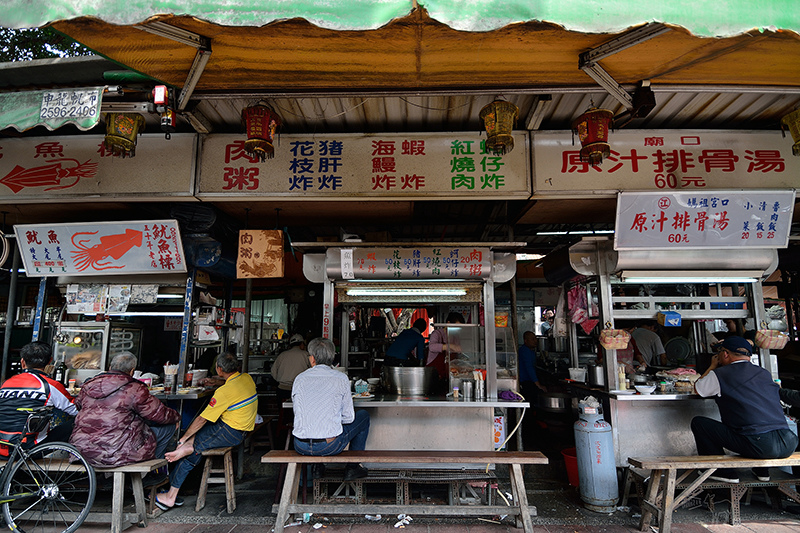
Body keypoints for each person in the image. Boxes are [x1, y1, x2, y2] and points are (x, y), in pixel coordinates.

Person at [155, 352, 258, 510]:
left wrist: (183, 438)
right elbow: (228, 384)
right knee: (194, 440)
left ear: (218, 369)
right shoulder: (246, 378)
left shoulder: (223, 393)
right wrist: (214, 381)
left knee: (191, 453)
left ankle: (170, 496)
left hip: (229, 432)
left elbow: (202, 419)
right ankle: (188, 447)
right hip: (239, 430)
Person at [691, 336, 797, 483]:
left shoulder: (720, 374)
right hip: (788, 442)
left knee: (699, 423)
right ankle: (762, 472)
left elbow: (698, 389)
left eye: (720, 352)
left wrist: (712, 366)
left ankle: (722, 472)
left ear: (725, 354)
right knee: (751, 425)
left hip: (760, 445)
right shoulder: (763, 373)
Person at [69, 352, 180, 472]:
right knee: (169, 427)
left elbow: (78, 405)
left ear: (110, 367)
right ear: (132, 371)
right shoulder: (135, 388)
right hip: (116, 452)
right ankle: (151, 473)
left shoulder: (88, 385)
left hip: (82, 449)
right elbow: (159, 414)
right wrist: (177, 417)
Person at [292, 337, 370, 480]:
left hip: (300, 445)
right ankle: (353, 467)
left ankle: (318, 467)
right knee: (363, 416)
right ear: (332, 358)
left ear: (312, 359)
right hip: (328, 446)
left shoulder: (299, 378)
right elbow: (349, 418)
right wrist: (331, 417)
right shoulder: (340, 378)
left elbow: (299, 411)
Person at [0, 341, 78, 453]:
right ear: (50, 362)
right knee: (78, 421)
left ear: (22, 362)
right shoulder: (50, 385)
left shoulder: (5, 384)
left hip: (2, 448)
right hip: (29, 450)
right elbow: (75, 410)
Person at [271, 333, 311, 402]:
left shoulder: (282, 355)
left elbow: (273, 372)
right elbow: (312, 371)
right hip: (300, 390)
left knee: (283, 411)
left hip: (282, 389)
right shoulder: (306, 355)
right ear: (301, 344)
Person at [426, 312, 464, 381]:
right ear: (448, 323)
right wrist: (450, 346)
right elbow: (431, 347)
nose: (457, 330)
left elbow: (458, 351)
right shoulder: (437, 334)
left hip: (448, 373)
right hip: (434, 373)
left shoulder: (455, 337)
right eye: (456, 327)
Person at [518, 331, 546, 400]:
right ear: (526, 341)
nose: (535, 341)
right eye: (532, 339)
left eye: (535, 338)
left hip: (529, 381)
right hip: (525, 382)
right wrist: (538, 385)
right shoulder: (525, 351)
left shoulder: (531, 351)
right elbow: (529, 368)